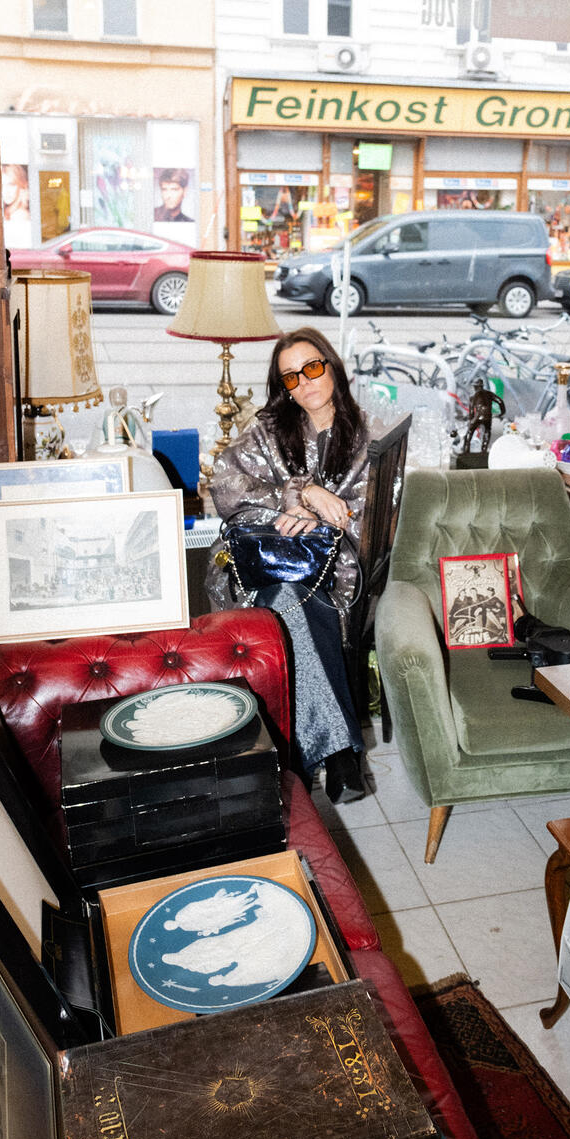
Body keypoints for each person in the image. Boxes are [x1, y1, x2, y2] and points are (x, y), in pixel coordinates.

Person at [206, 327, 370, 803]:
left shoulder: (364, 436)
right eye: (291, 377)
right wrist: (290, 498)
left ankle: (306, 758)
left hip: (333, 568)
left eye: (313, 368)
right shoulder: (269, 430)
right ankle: (341, 754)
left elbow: (363, 515)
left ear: (332, 367)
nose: (306, 383)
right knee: (280, 593)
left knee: (287, 600)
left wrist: (316, 511)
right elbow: (226, 488)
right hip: (261, 564)